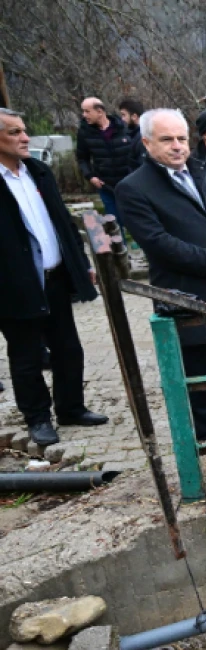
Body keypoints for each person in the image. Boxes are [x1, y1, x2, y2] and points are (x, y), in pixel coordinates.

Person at [116, 108, 206, 442]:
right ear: (147, 142)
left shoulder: (204, 173)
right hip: (184, 294)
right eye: (167, 139)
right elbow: (159, 244)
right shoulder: (134, 188)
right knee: (194, 372)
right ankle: (205, 435)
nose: (177, 146)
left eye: (181, 138)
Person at [1, 107, 109, 446]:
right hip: (14, 285)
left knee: (68, 349)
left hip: (56, 276)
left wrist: (80, 263)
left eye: (24, 130)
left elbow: (61, 220)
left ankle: (71, 408)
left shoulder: (38, 171)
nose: (25, 138)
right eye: (15, 132)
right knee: (27, 356)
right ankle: (37, 418)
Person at [76, 97, 137, 235]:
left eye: (87, 111)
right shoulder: (84, 133)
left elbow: (137, 153)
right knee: (114, 223)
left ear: (99, 111)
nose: (84, 115)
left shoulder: (122, 127)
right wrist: (90, 177)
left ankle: (143, 252)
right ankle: (121, 254)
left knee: (135, 220)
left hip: (129, 184)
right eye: (83, 111)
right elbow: (82, 158)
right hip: (106, 186)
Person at [118, 98, 147, 168]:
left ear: (134, 116)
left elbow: (143, 167)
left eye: (124, 115)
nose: (122, 119)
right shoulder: (132, 134)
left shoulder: (143, 137)